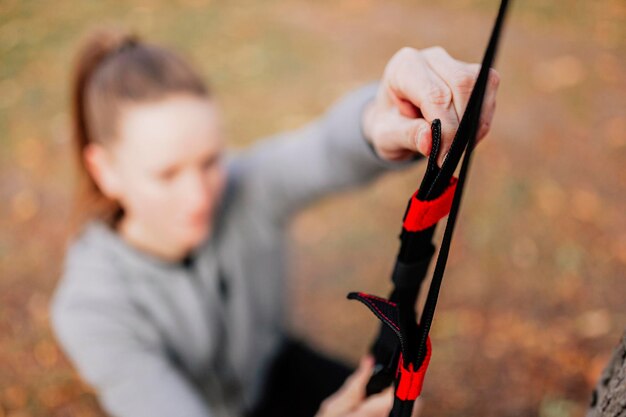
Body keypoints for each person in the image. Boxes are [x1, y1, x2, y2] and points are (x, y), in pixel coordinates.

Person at [49, 25, 500, 417]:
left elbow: (327, 148)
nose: (199, 195)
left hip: (276, 371)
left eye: (209, 161)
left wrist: (386, 117)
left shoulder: (244, 188)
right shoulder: (89, 309)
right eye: (166, 174)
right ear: (104, 170)